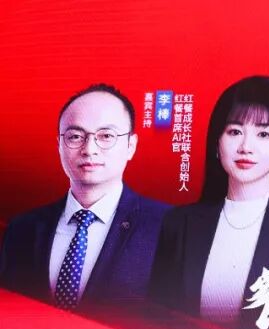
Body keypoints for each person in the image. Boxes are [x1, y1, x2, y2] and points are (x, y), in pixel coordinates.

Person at [150, 76, 269, 327]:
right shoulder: (180, 225)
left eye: (263, 134)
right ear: (217, 140)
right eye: (235, 132)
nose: (246, 147)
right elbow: (158, 322)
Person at [0, 84, 168, 309]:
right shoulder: (22, 229)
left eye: (106, 136)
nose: (89, 149)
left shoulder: (169, 227)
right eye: (75, 136)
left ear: (131, 145)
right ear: (59, 145)